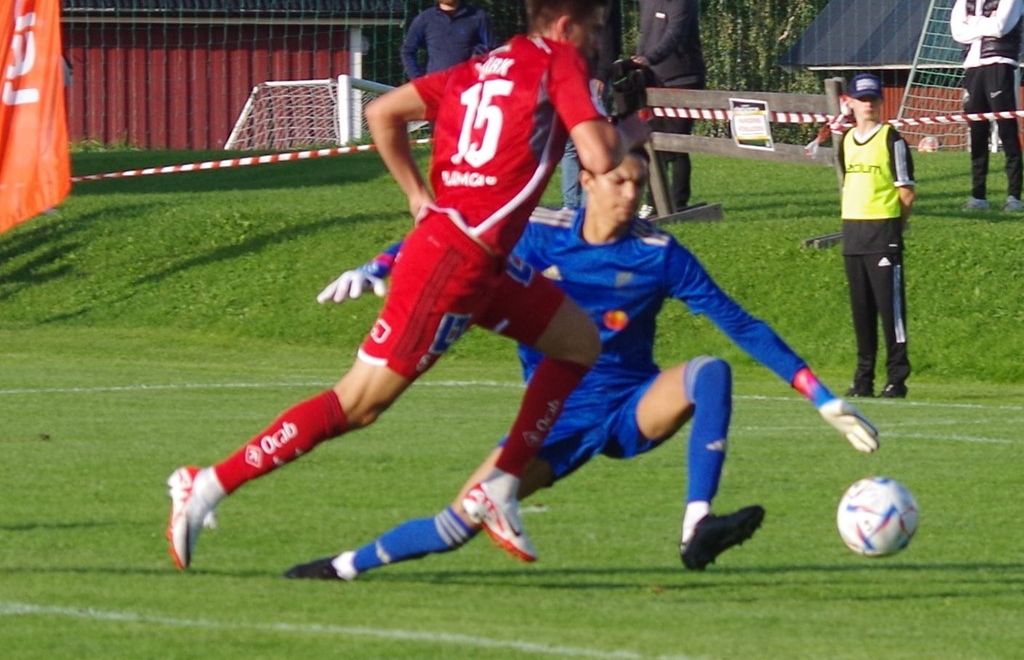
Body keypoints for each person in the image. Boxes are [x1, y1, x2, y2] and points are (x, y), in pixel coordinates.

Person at [166, 0, 651, 570]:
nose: (597, 44)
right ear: (565, 25)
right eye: (595, 31)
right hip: (454, 264)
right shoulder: (559, 60)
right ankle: (207, 483)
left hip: (476, 256)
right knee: (359, 404)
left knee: (577, 342)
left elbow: (383, 113)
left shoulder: (479, 68)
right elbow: (601, 155)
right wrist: (636, 121)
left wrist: (416, 196)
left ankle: (498, 486)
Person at [282, 151, 880, 582]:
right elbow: (448, 233)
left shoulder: (659, 253)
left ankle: (697, 527)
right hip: (551, 424)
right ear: (587, 179)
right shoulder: (538, 234)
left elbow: (741, 324)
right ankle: (342, 566)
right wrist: (377, 268)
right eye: (619, 181)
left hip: (633, 405)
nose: (632, 195)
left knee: (710, 371)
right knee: (457, 522)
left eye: (639, 183)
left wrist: (823, 398)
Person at [838, 73, 915, 399]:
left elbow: (906, 192)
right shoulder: (845, 140)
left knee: (890, 311)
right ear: (850, 102)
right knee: (862, 311)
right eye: (862, 99)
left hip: (882, 232)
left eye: (873, 99)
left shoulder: (891, 139)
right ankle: (863, 379)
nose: (868, 105)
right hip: (853, 233)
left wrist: (895, 227)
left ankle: (896, 379)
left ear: (881, 102)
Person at [949, 0, 1024, 213]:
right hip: (973, 65)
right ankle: (978, 195)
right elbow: (957, 30)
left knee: (1006, 128)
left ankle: (1013, 196)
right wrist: (983, 23)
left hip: (1000, 62)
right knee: (976, 130)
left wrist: (974, 25)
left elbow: (1002, 26)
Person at [632, 0, 706, 215]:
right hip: (653, 79)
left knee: (676, 141)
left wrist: (649, 58)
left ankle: (678, 202)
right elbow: (645, 32)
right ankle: (654, 202)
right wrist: (639, 61)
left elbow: (673, 36)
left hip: (683, 78)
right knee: (653, 142)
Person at [558, 0, 623, 209]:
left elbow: (609, 33)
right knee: (569, 144)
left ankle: (589, 206)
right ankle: (570, 207)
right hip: (563, 75)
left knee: (592, 142)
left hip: (591, 74)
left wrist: (601, 74)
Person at [399, 0, 494, 80]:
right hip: (436, 91)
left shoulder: (478, 17)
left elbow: (492, 50)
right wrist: (419, 82)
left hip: (468, 89)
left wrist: (480, 56)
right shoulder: (425, 19)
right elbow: (407, 51)